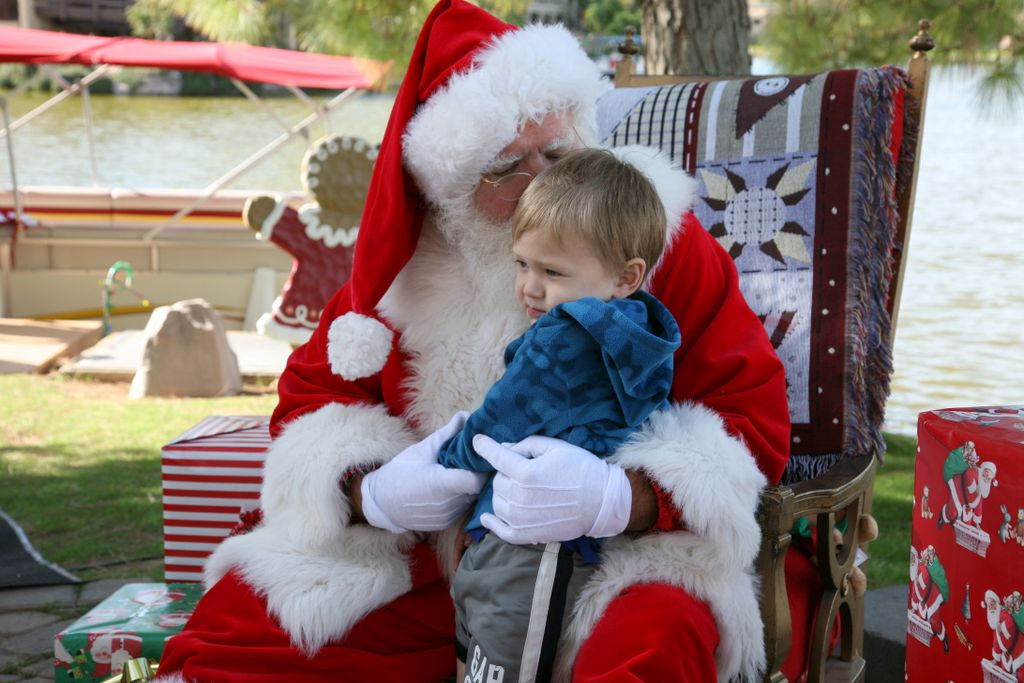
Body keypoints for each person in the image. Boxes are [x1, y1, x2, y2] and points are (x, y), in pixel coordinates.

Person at [156, 1, 795, 681]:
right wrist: (374, 493)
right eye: (505, 169)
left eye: (556, 152)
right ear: (452, 184)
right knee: (246, 620)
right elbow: (310, 407)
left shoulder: (652, 233)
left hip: (618, 557)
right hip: (431, 565)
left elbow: (747, 412)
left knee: (650, 639)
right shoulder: (404, 267)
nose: (540, 187)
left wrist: (619, 497)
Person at [409, 147, 680, 682]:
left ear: (627, 275)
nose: (530, 288)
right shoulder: (645, 329)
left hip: (532, 542)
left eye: (552, 271)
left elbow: (500, 421)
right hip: (563, 530)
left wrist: (447, 462)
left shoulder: (560, 337)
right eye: (522, 264)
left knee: (492, 666)